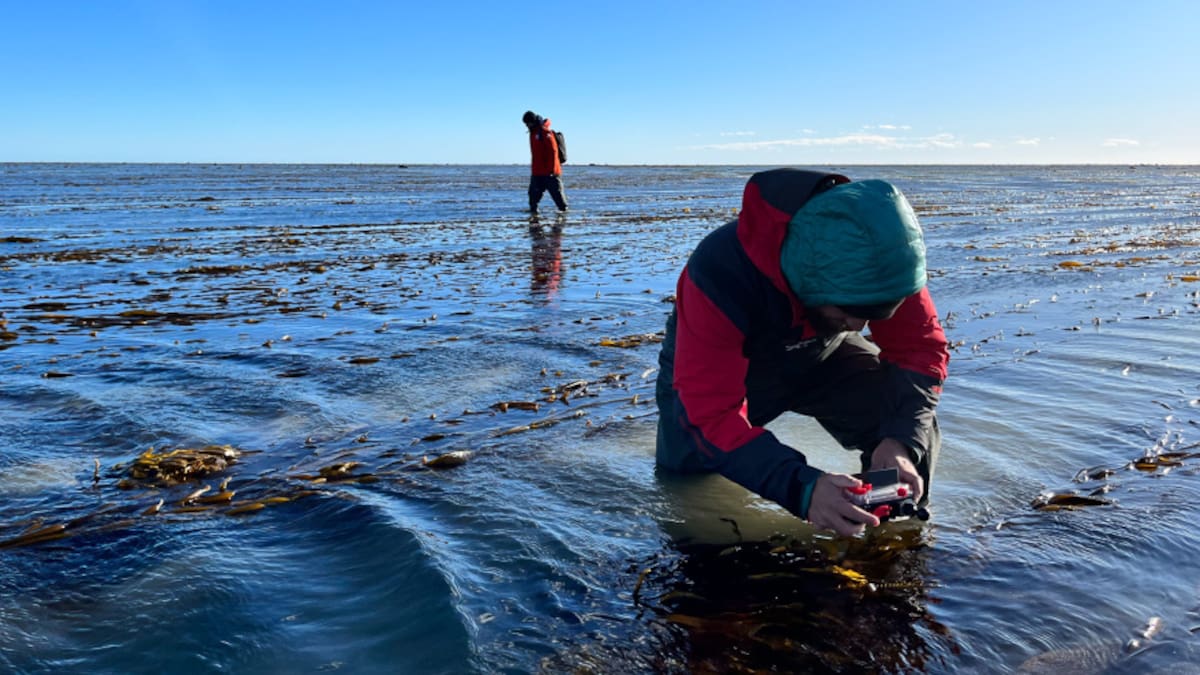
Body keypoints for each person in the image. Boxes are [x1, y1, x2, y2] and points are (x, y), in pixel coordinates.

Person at [654, 168, 949, 537]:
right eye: (849, 312)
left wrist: (901, 441)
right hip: (724, 369)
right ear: (809, 280)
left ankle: (891, 530)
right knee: (688, 485)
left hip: (824, 355)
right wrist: (803, 488)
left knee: (905, 424)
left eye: (874, 314)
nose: (861, 327)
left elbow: (920, 352)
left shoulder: (884, 260)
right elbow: (709, 415)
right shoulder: (720, 271)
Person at [522, 110, 568, 214]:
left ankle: (564, 217)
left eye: (528, 123)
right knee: (533, 197)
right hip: (537, 172)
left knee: (559, 198)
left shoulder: (545, 133)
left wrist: (551, 170)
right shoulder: (533, 133)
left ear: (532, 122)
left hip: (551, 173)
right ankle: (534, 217)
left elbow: (553, 152)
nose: (527, 126)